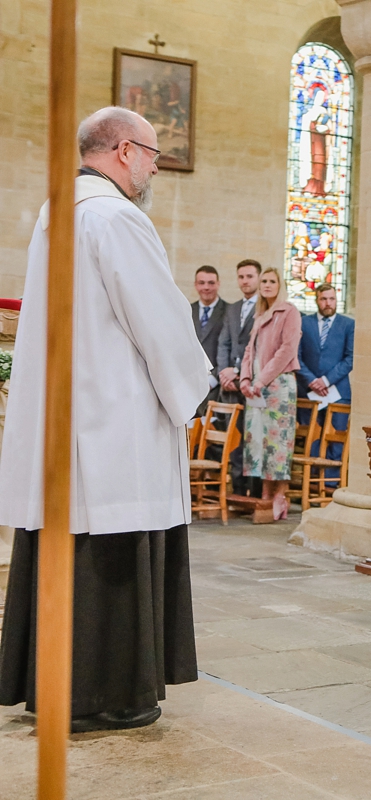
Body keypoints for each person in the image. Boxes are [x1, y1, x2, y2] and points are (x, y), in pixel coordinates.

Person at [0, 106, 210, 733]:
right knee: (111, 544)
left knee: (70, 536)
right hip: (114, 419)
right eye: (150, 153)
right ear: (122, 150)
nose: (152, 166)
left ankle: (55, 685)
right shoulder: (116, 216)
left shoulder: (55, 213)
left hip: (69, 415)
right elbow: (160, 321)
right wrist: (193, 385)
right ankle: (107, 694)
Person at [239, 267, 302, 521]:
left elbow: (287, 350)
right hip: (257, 387)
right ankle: (265, 496)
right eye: (263, 281)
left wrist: (261, 379)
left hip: (279, 387)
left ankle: (280, 496)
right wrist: (245, 378)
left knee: (279, 444)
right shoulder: (260, 314)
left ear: (280, 284)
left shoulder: (289, 311)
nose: (266, 285)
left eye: (271, 281)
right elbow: (248, 351)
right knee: (261, 443)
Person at [296, 282, 355, 484]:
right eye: (323, 299)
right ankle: (311, 480)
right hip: (309, 391)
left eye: (331, 299)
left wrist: (326, 380)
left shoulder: (348, 324)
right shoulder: (304, 323)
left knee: (336, 435)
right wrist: (312, 380)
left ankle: (330, 482)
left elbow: (350, 358)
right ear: (317, 300)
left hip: (338, 391)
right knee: (312, 435)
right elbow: (297, 356)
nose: (328, 303)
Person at [217, 258, 262, 494]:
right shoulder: (233, 308)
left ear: (259, 278)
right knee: (233, 437)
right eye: (241, 277)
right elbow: (224, 342)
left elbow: (256, 347)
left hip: (251, 381)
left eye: (250, 276)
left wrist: (237, 371)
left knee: (252, 437)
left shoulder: (264, 307)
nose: (245, 281)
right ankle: (236, 489)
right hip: (230, 383)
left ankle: (253, 491)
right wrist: (223, 372)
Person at [191, 265, 230, 417]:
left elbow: (229, 348)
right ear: (195, 285)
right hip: (191, 383)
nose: (206, 287)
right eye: (201, 283)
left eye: (211, 283)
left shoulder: (229, 311)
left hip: (217, 385)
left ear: (218, 284)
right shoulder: (188, 310)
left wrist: (213, 378)